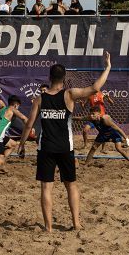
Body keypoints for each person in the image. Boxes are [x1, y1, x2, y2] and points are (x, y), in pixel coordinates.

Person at [19, 51, 112, 233]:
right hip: (65, 147)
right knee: (71, 185)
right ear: (64, 78)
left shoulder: (40, 98)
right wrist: (108, 66)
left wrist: (22, 144)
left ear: (49, 77)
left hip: (45, 147)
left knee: (46, 187)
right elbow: (94, 88)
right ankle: (76, 223)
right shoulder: (69, 94)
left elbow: (29, 124)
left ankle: (48, 227)